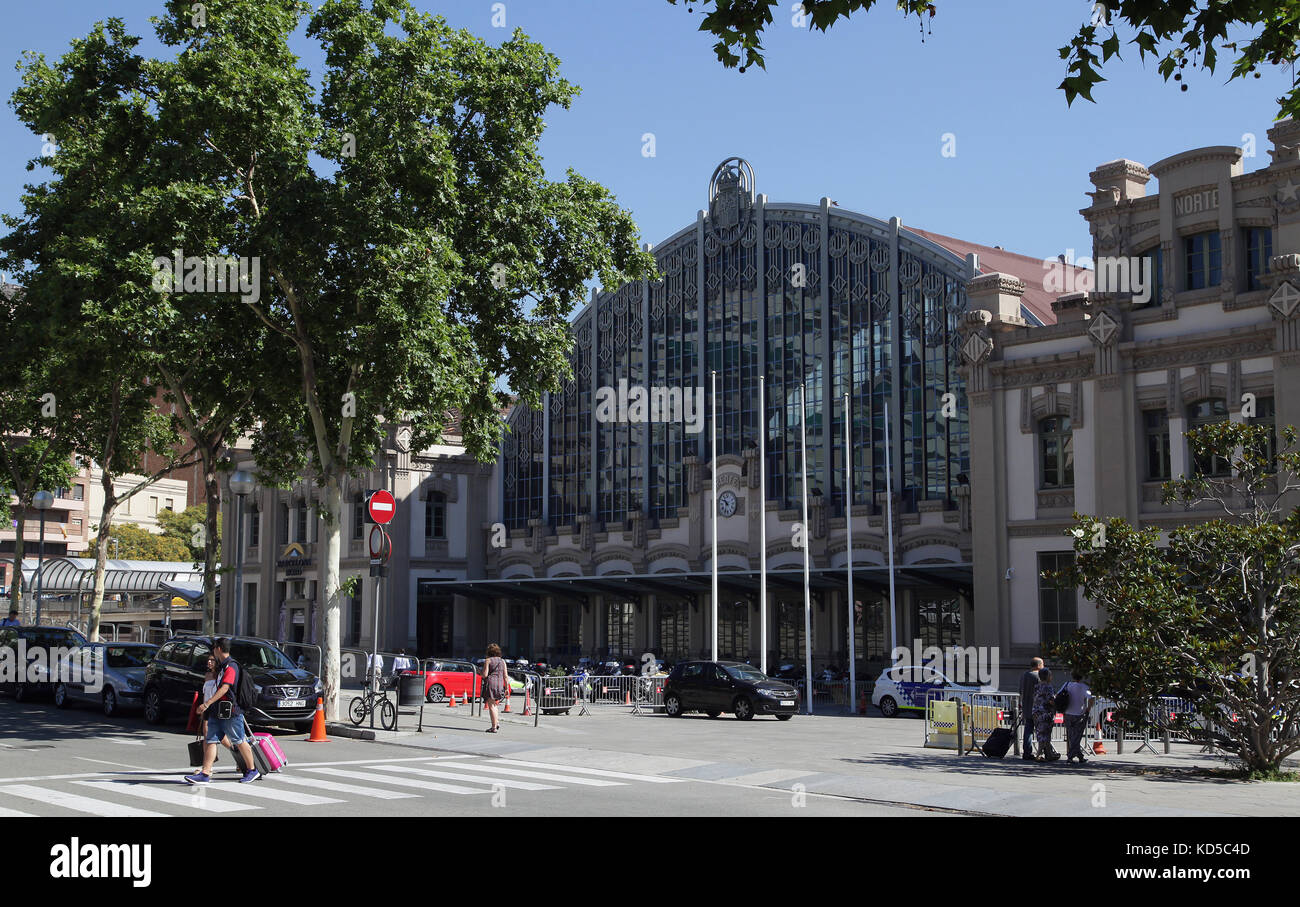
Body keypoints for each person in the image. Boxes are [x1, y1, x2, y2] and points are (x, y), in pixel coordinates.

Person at [186, 638, 259, 784]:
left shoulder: (231, 667)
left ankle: (252, 770)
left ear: (218, 649)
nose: (213, 651)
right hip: (218, 710)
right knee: (211, 739)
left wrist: (207, 704)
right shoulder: (223, 666)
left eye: (214, 648)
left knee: (239, 740)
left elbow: (225, 688)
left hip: (230, 710)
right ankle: (205, 773)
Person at [1061, 670, 1093, 764]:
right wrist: (1088, 708)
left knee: (1072, 736)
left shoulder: (1067, 684)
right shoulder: (1083, 687)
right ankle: (1070, 757)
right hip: (1079, 713)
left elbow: (1059, 694)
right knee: (1077, 736)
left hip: (1068, 713)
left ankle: (1080, 756)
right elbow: (1091, 698)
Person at [1031, 667, 1061, 762]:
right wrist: (1058, 703)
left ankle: (1049, 754)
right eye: (1050, 675)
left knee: (1041, 733)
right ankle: (1039, 755)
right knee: (1045, 734)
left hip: (1036, 712)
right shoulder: (1048, 687)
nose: (1051, 677)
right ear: (1047, 676)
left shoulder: (1037, 686)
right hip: (1045, 712)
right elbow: (1051, 700)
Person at [1017, 657, 1044, 760]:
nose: (1043, 667)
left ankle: (1027, 752)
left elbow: (1020, 691)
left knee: (1028, 731)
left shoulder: (1024, 675)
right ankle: (1042, 752)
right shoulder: (1038, 676)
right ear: (1038, 665)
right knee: (1041, 731)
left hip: (1026, 706)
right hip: (1037, 708)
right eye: (1042, 665)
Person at [480, 643, 508, 733]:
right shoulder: (502, 661)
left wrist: (480, 673)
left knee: (491, 705)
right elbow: (506, 676)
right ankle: (497, 722)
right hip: (500, 684)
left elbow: (484, 675)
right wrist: (507, 688)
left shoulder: (488, 660)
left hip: (491, 683)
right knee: (495, 705)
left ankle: (493, 727)